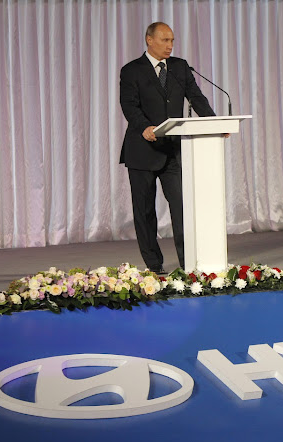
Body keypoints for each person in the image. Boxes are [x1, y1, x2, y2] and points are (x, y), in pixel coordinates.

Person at [119, 22, 216, 274]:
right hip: (142, 149)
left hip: (172, 151)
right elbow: (129, 105)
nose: (170, 45)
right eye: (165, 40)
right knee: (145, 211)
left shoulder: (179, 67)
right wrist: (144, 127)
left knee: (182, 208)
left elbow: (196, 97)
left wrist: (214, 122)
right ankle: (154, 264)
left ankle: (189, 262)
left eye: (172, 40)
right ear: (149, 40)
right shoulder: (132, 70)